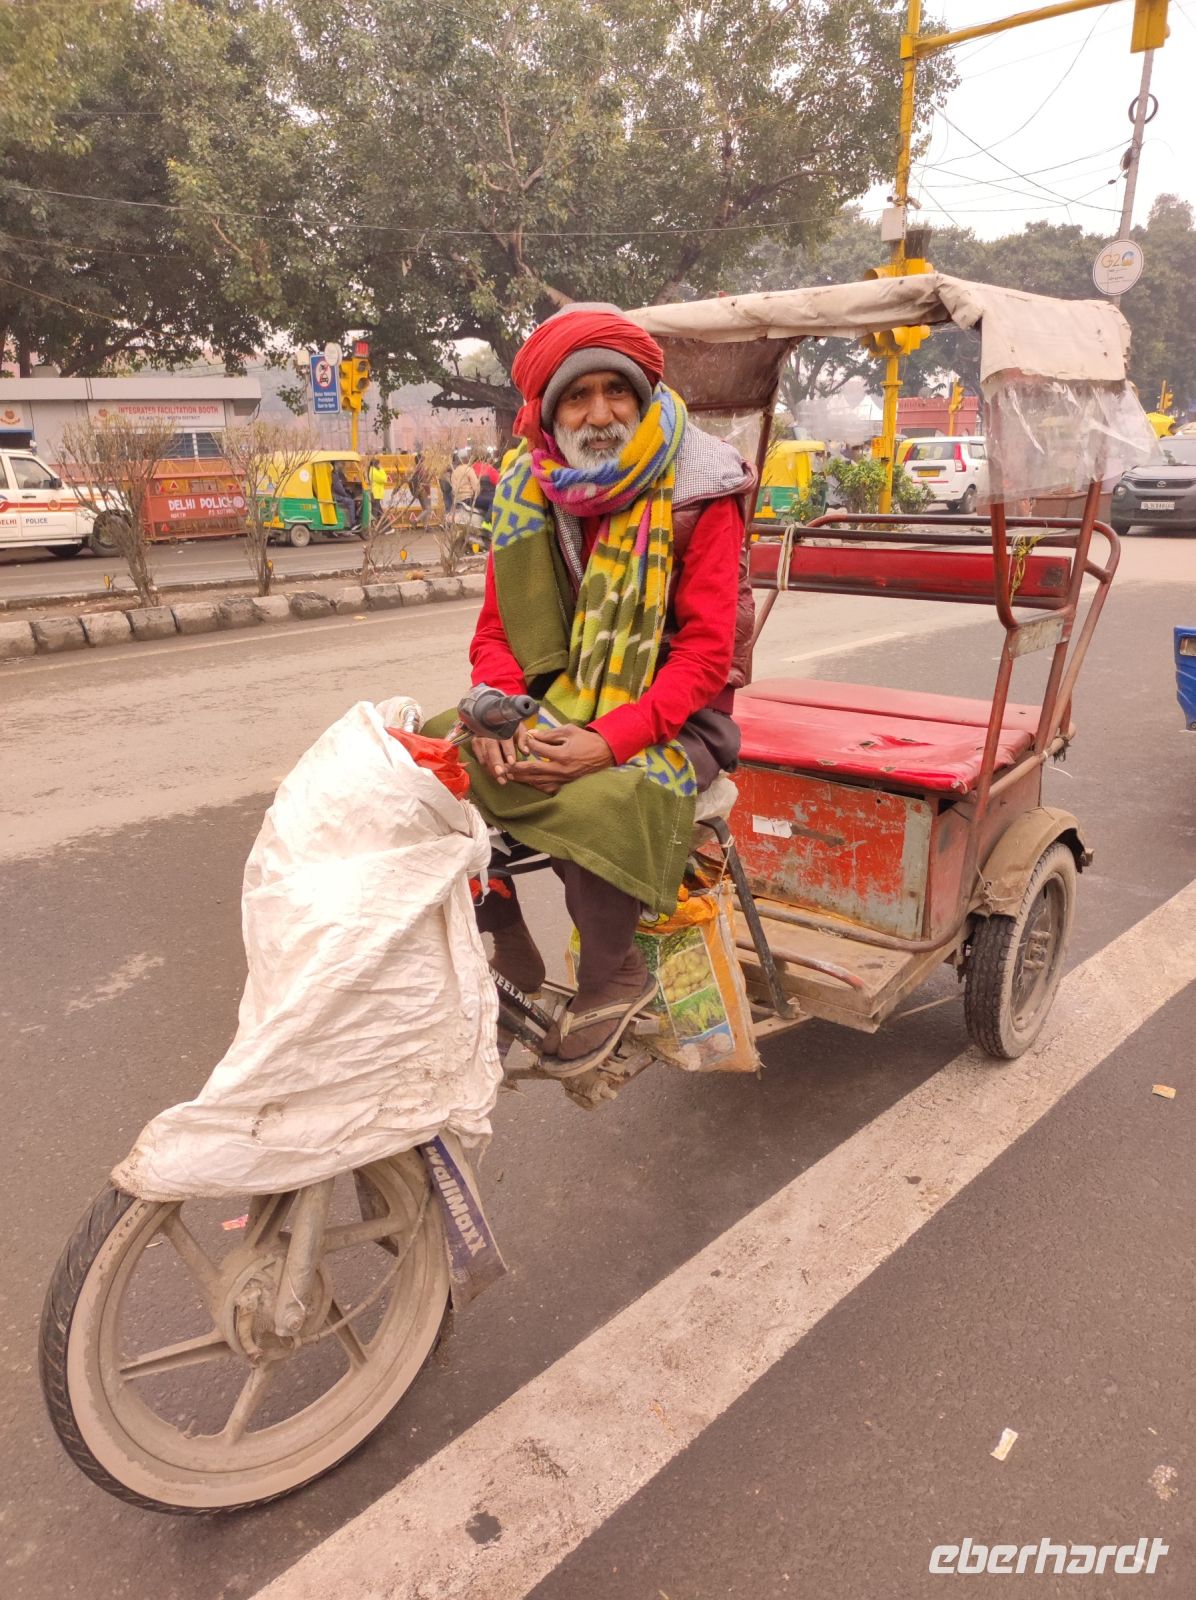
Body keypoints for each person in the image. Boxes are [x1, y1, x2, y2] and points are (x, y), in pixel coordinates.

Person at [444, 301, 755, 1071]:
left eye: (616, 391)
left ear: (643, 395)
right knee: (428, 754)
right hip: (556, 696)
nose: (600, 412)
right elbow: (496, 630)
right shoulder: (527, 484)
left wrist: (605, 741)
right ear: (550, 414)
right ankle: (502, 925)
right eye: (577, 397)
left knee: (600, 794)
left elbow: (707, 656)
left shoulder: (700, 490)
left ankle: (612, 977)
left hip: (679, 719)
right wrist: (498, 713)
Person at [330, 462, 358, 532]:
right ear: (336, 464)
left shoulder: (332, 473)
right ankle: (353, 523)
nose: (342, 465)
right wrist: (345, 494)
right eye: (341, 463)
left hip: (333, 495)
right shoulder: (334, 474)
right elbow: (339, 488)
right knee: (351, 501)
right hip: (335, 496)